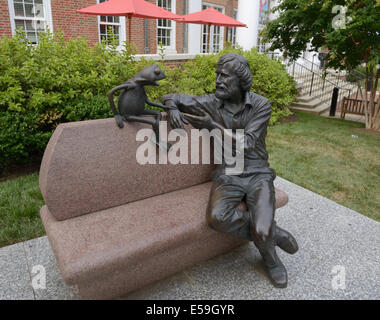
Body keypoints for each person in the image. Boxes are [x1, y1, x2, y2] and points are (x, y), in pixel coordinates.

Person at [162, 53, 298, 288]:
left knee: (261, 228)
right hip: (228, 173)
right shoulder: (211, 102)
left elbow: (248, 142)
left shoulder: (261, 105)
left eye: (224, 76)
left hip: (257, 173)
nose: (217, 81)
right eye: (217, 75)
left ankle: (271, 259)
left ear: (240, 80)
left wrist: (211, 125)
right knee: (217, 218)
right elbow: (169, 97)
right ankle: (274, 234)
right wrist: (172, 108)